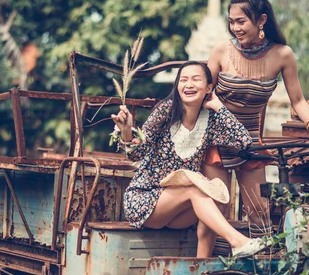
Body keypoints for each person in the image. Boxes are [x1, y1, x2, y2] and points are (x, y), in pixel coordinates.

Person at [202, 0, 309, 243]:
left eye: (241, 21)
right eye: (231, 22)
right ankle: (211, 271)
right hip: (215, 142)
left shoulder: (282, 55)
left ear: (261, 20)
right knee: (217, 209)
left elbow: (298, 101)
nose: (235, 28)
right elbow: (205, 93)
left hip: (251, 144)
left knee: (259, 212)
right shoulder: (221, 51)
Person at [111, 61, 266, 258]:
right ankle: (237, 242)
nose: (188, 84)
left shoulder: (210, 119)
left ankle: (200, 268)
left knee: (217, 192)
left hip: (179, 211)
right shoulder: (165, 111)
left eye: (196, 79)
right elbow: (137, 154)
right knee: (195, 187)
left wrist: (219, 106)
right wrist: (126, 132)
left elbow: (243, 142)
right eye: (183, 80)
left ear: (208, 88)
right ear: (177, 87)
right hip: (146, 200)